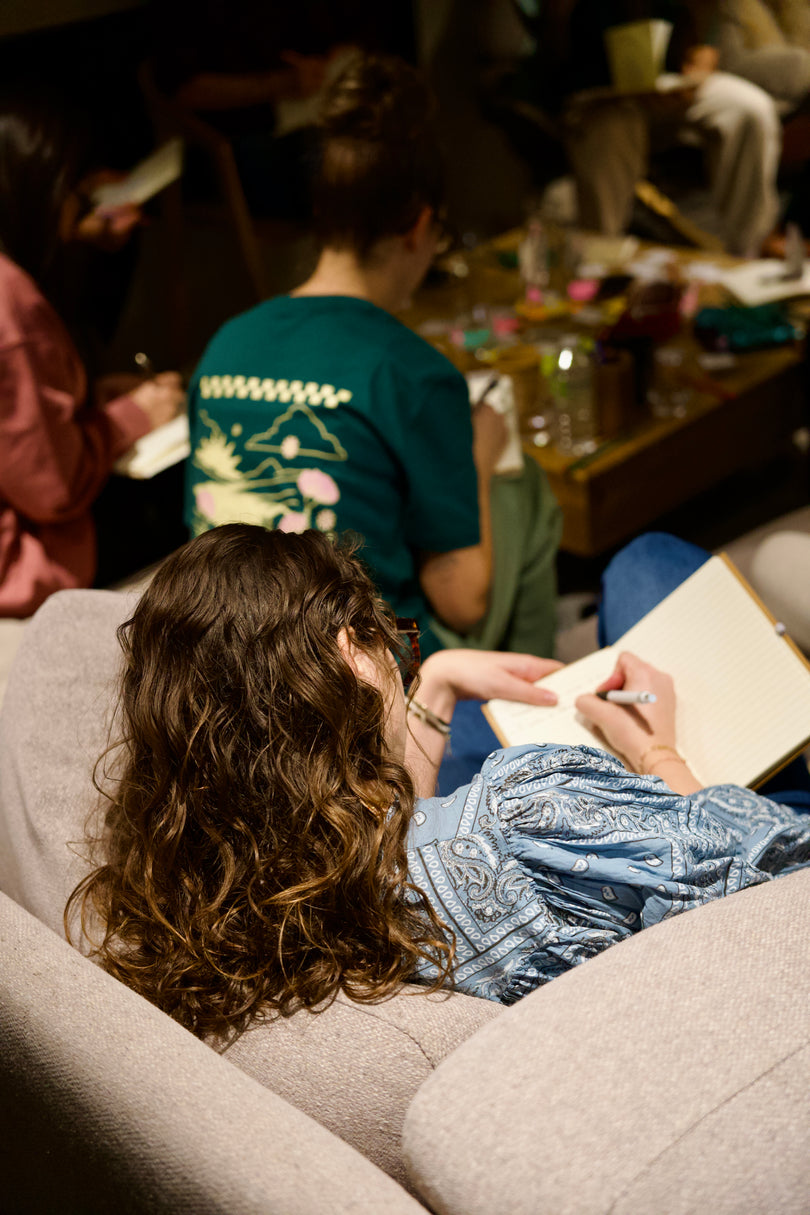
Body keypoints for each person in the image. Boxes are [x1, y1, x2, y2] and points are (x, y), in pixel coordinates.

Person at [67, 524, 810, 1037]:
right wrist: (659, 751)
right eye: (381, 637)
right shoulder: (530, 803)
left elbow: (394, 829)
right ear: (350, 657)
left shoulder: (221, 885)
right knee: (646, 565)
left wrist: (439, 684)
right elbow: (775, 858)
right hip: (739, 913)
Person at [184, 52, 561, 659]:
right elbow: (462, 599)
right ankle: (521, 700)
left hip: (230, 651)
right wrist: (482, 459)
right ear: (419, 227)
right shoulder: (411, 370)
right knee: (525, 487)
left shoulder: (227, 341)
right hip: (351, 675)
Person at [0, 88, 186, 617]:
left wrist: (84, 400)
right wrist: (130, 418)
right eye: (76, 194)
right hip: (24, 567)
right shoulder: (9, 303)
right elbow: (52, 486)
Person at [509, 0, 782, 256]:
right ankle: (603, 257)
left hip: (673, 81)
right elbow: (551, 45)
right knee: (613, 125)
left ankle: (747, 253)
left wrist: (702, 57)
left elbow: (708, 21)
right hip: (599, 93)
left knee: (748, 108)